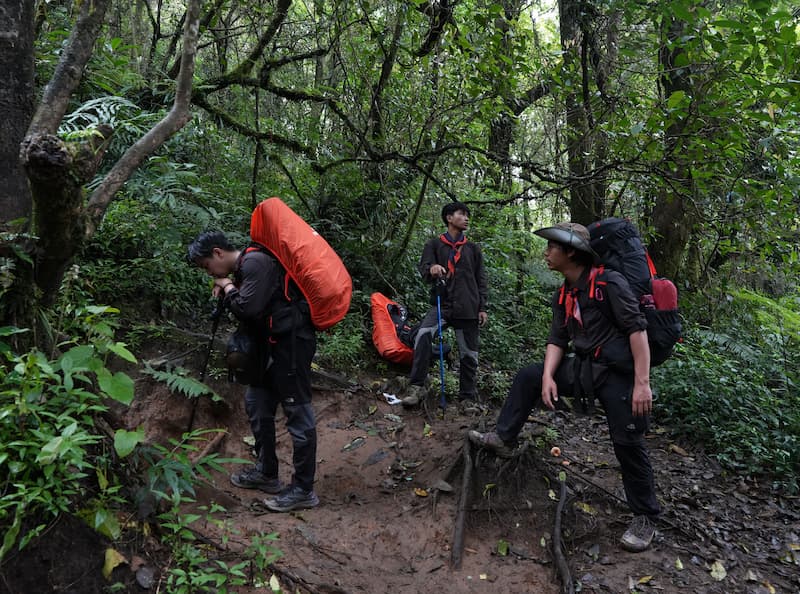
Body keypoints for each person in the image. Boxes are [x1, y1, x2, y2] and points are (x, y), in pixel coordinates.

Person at [468, 222, 661, 552]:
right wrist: (547, 376)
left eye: (552, 247)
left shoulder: (609, 283)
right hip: (585, 368)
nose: (546, 253)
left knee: (627, 443)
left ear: (571, 252)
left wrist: (642, 384)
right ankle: (504, 438)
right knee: (529, 376)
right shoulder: (564, 293)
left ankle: (645, 517)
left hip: (618, 374)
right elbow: (557, 339)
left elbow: (637, 330)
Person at [188, 231, 319, 512]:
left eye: (206, 265)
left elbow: (247, 308)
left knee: (297, 412)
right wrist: (230, 285)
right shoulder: (243, 269)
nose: (208, 272)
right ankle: (267, 472)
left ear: (218, 252)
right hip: (270, 347)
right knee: (257, 403)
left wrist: (227, 286)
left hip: (291, 345)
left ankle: (303, 489)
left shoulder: (255, 263)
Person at [402, 202, 488, 407]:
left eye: (467, 215)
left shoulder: (473, 249)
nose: (466, 218)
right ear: (449, 218)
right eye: (462, 214)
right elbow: (424, 268)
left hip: (468, 307)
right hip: (443, 305)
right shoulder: (434, 244)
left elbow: (481, 279)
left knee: (469, 353)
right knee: (423, 335)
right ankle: (417, 387)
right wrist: (432, 268)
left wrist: (483, 307)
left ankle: (467, 398)